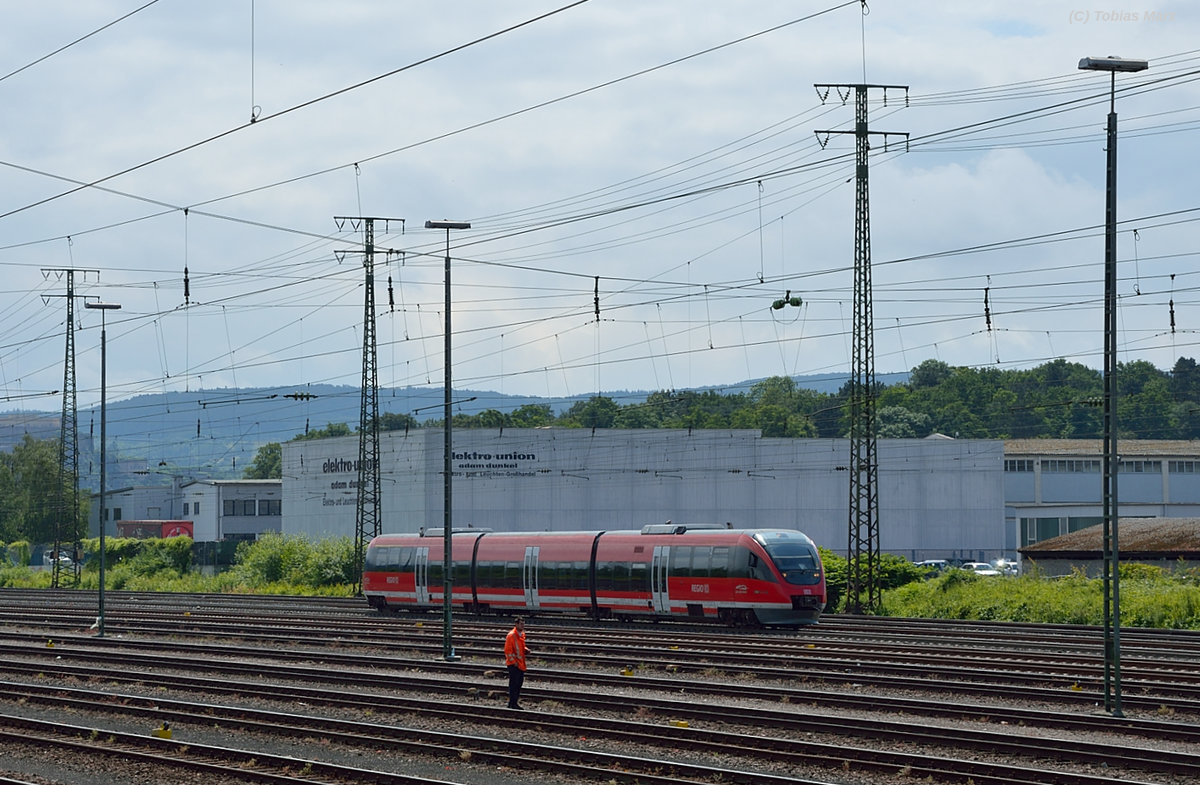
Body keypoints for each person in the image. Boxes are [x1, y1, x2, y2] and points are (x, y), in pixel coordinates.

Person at [504, 616, 529, 709]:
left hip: (520, 664)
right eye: (521, 624)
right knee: (514, 684)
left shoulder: (521, 634)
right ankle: (512, 703)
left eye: (523, 624)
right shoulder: (511, 635)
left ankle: (514, 702)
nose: (523, 626)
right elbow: (508, 651)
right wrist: (513, 662)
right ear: (516, 624)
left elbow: (520, 647)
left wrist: (526, 650)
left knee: (518, 684)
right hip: (514, 664)